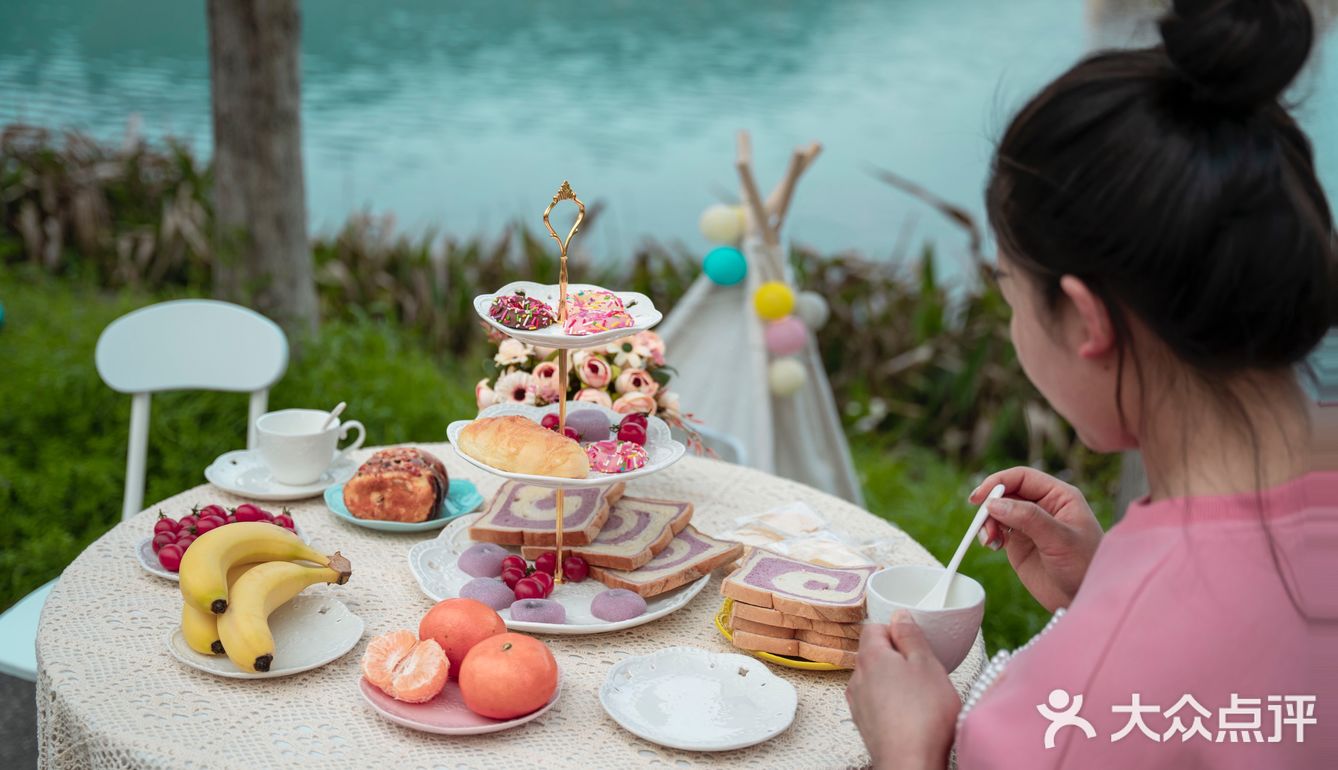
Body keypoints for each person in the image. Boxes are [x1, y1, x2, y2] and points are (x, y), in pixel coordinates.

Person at [844, 0, 1337, 767]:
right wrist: (1111, 584)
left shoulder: (1074, 712)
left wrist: (907, 753)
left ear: (1083, 320)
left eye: (1011, 294)